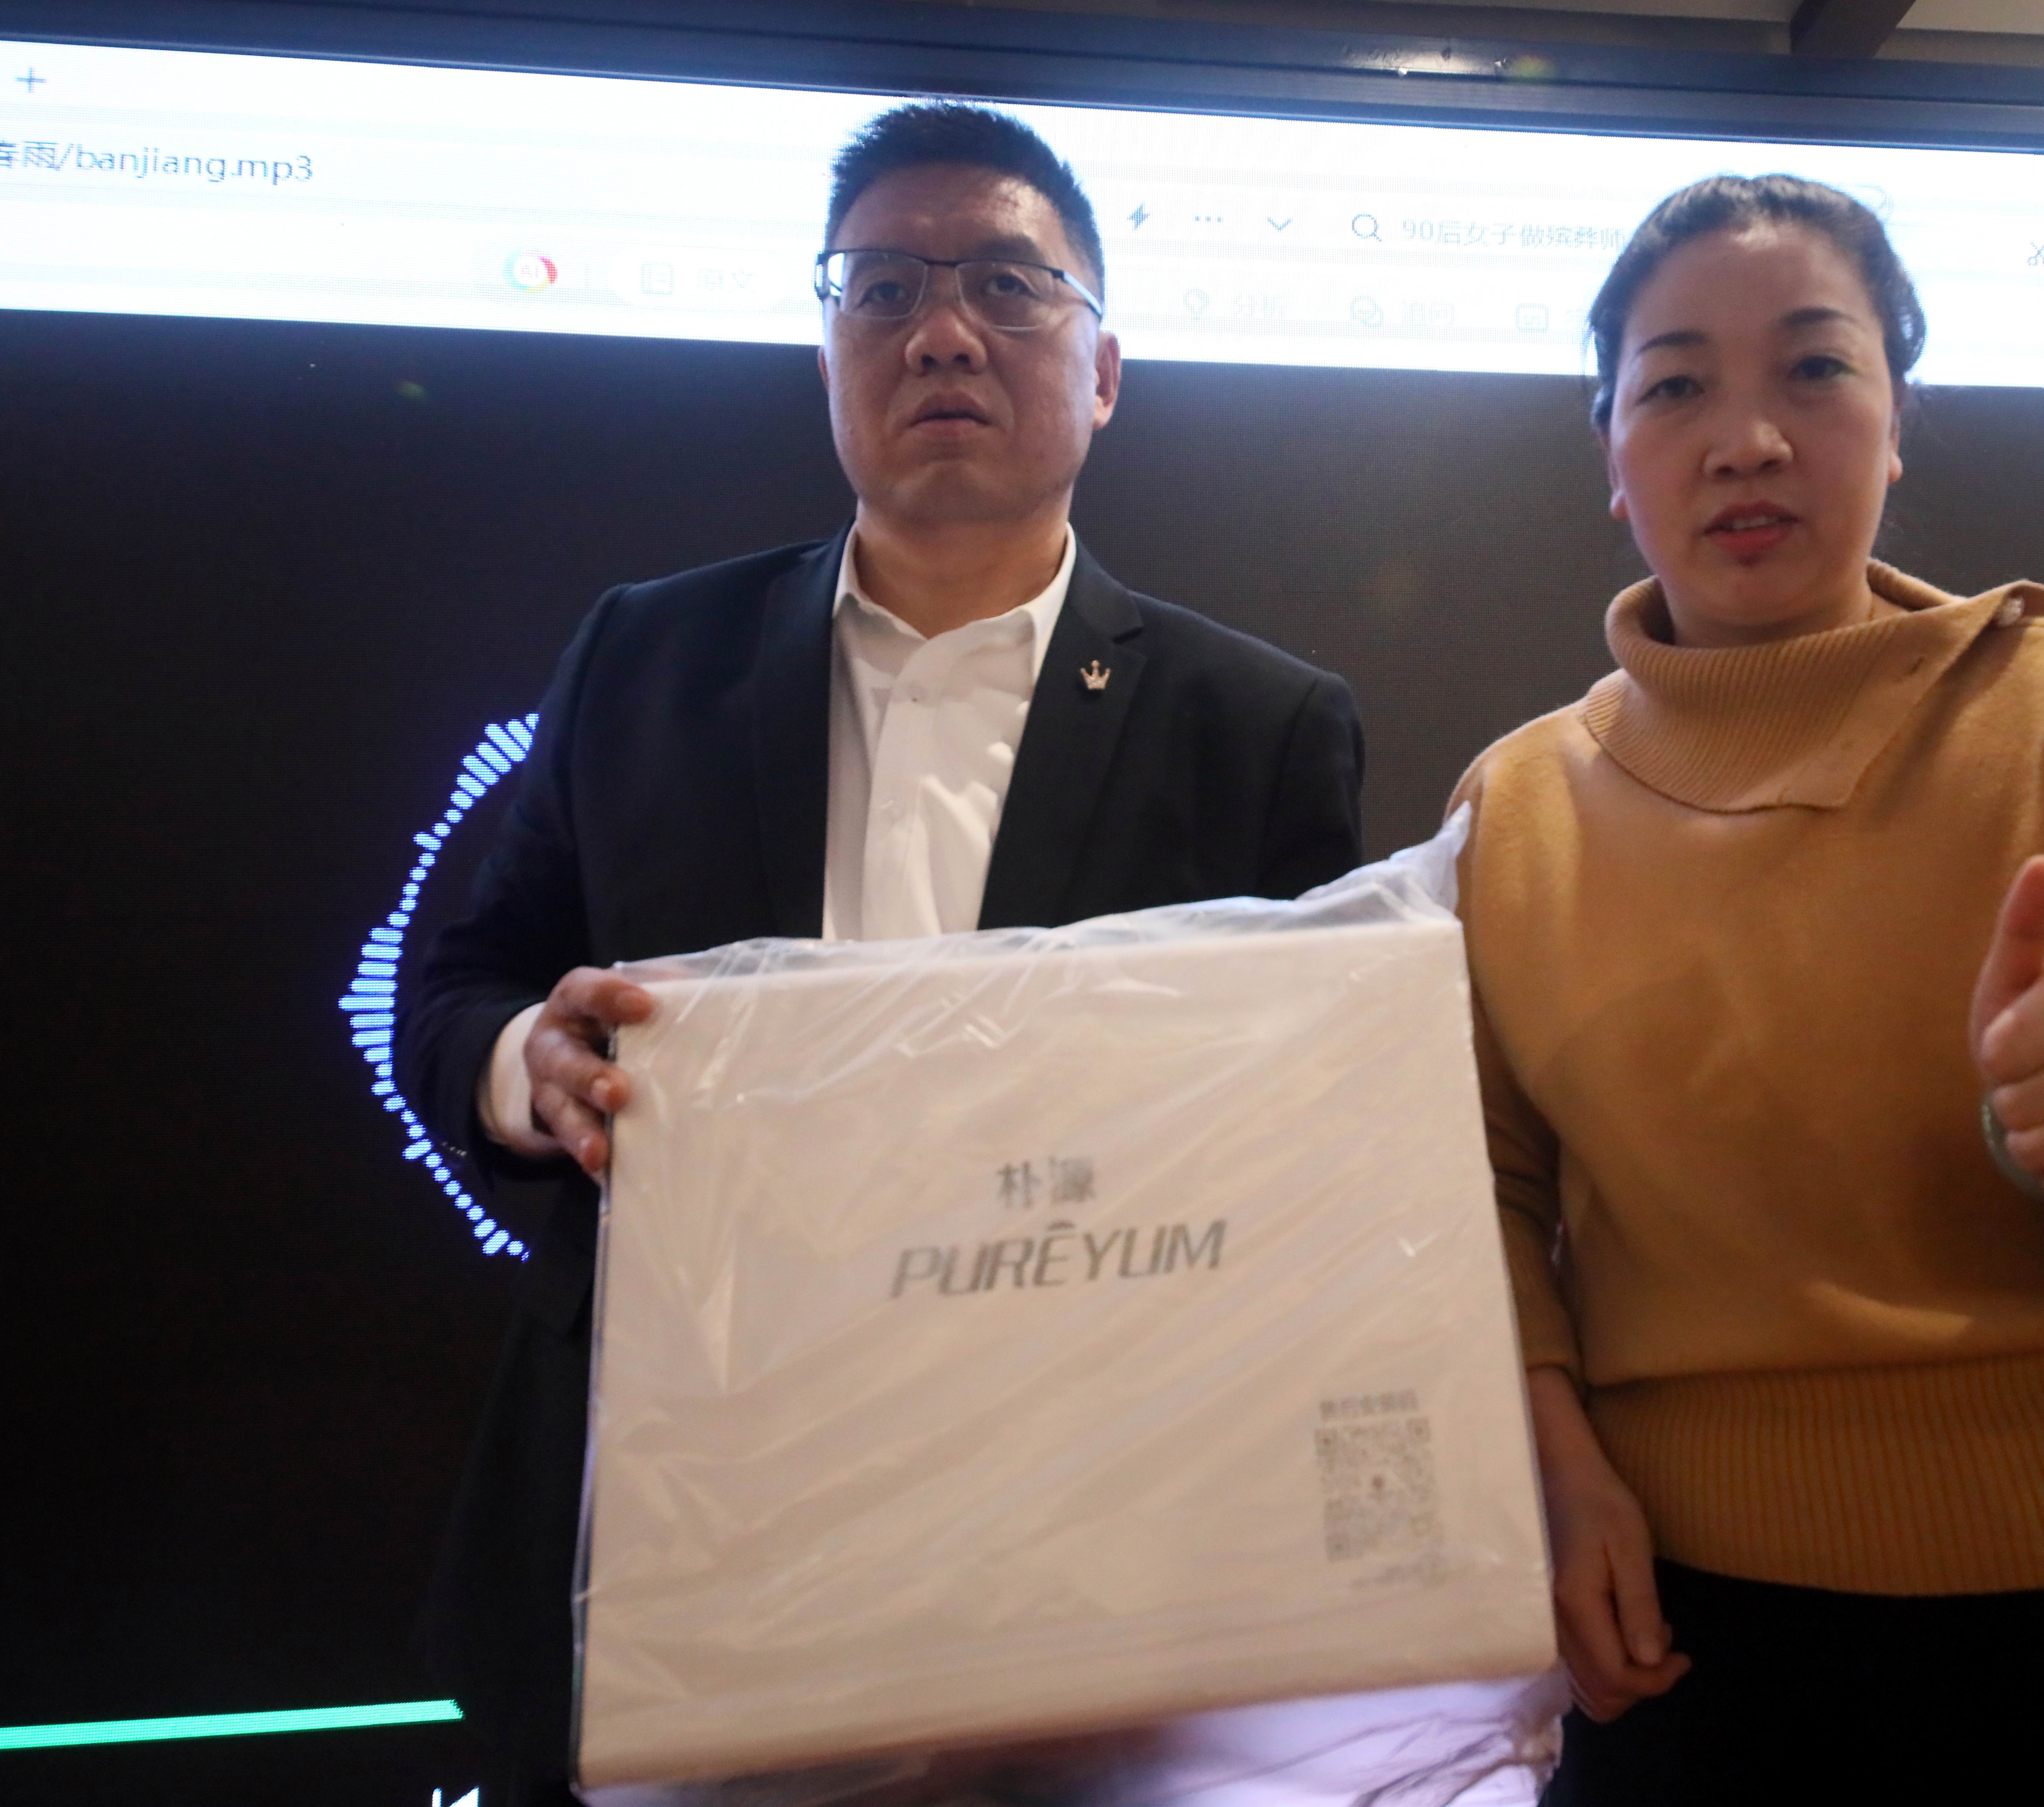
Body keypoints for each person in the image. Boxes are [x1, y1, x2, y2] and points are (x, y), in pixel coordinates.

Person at [400, 102, 1364, 1804]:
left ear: (1105, 369)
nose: (942, 333)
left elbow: (1309, 1152)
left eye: (1008, 283)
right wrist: (522, 1066)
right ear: (829, 350)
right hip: (674, 1522)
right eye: (884, 288)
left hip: (1081, 1551)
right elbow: (461, 979)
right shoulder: (648, 656)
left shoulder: (1258, 725)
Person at [1449, 175, 2044, 1801]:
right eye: (1676, 386)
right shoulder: (1515, 807)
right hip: (1683, 1639)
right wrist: (1558, 1470)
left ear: (1898, 423)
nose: (1747, 440)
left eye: (1816, 368)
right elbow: (1484, 1194)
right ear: (1611, 451)